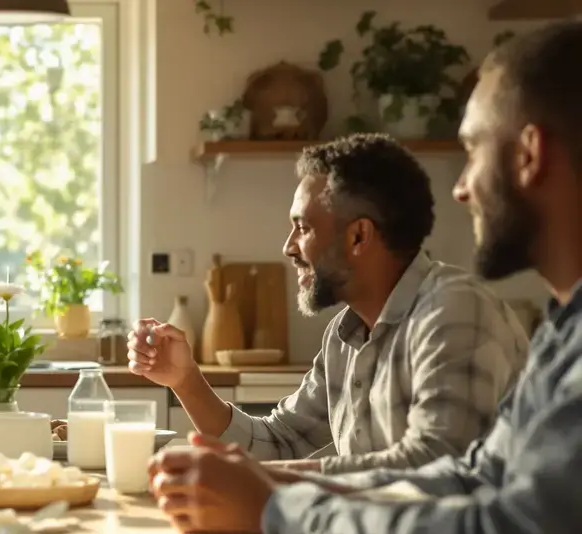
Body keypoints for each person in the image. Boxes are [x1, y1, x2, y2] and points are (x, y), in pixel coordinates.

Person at [147, 22, 582, 534]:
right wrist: (236, 450)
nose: (459, 188)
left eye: (471, 150)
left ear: (529, 154)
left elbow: (486, 532)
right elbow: (471, 476)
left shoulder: (456, 309)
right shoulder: (560, 332)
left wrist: (275, 505)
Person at [129, 133, 528, 475]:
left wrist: (267, 482)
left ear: (359, 236)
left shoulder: (453, 310)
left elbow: (435, 468)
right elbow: (282, 444)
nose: (288, 247)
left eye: (302, 227)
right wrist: (186, 381)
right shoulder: (345, 335)